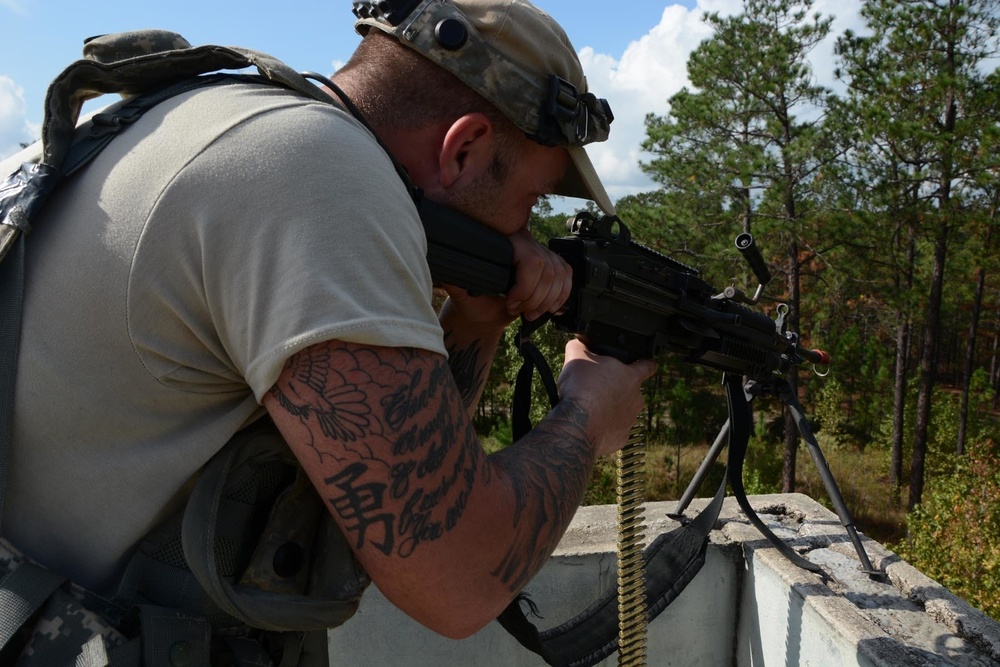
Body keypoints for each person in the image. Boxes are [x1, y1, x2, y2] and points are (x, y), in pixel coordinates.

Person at [1, 0, 654, 654]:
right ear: (464, 149)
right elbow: (457, 578)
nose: (526, 230)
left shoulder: (221, 117)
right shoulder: (322, 175)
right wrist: (589, 413)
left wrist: (479, 317)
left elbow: (411, 480)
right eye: (532, 201)